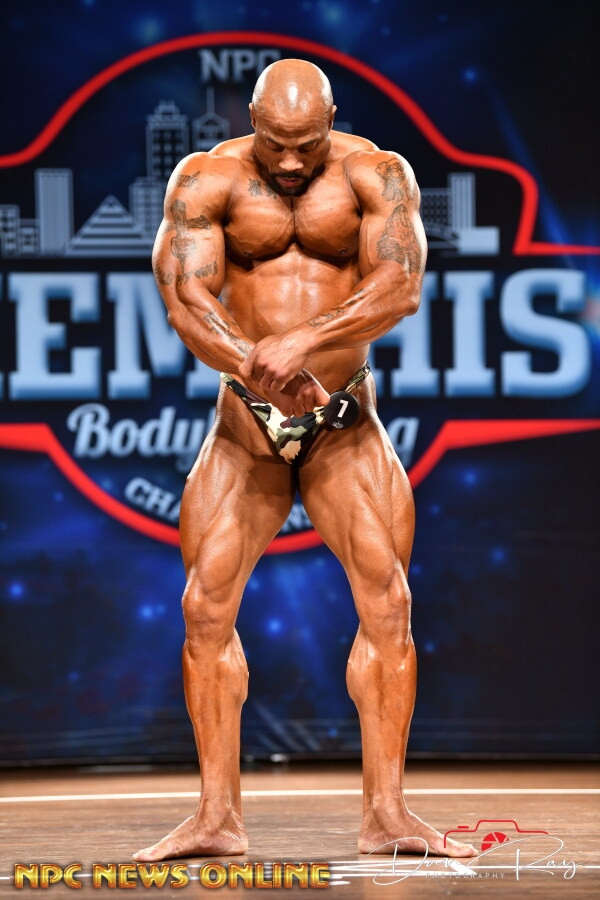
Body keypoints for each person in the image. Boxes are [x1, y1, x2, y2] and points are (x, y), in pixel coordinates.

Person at [133, 59, 476, 862]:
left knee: (388, 606)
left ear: (332, 120)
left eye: (307, 143)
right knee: (203, 610)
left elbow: (401, 284)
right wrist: (260, 369)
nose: (290, 161)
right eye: (276, 142)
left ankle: (387, 814)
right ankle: (216, 817)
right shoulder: (206, 179)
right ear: (252, 119)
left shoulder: (375, 173)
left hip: (344, 419)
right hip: (243, 426)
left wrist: (305, 341)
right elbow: (185, 298)